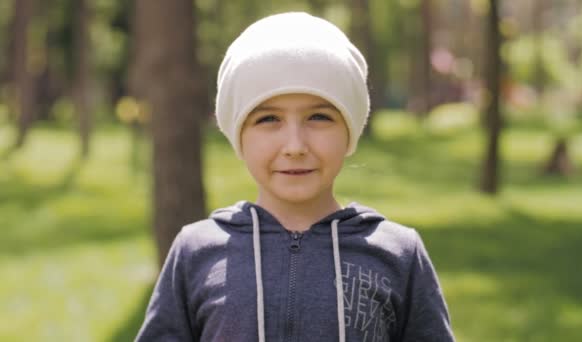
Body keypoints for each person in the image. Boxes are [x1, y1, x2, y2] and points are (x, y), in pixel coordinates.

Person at [136, 12, 454, 342]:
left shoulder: (399, 254)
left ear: (350, 130)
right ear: (238, 135)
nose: (295, 146)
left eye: (319, 116)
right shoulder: (195, 251)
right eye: (268, 119)